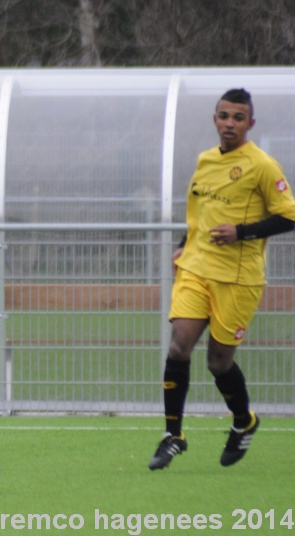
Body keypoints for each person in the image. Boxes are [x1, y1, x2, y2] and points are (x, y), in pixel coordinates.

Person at [149, 89, 295, 470]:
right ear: (215, 119)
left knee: (218, 362)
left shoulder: (262, 166)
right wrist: (184, 244)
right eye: (224, 116)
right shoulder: (205, 160)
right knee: (179, 346)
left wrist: (242, 232)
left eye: (238, 117)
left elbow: (289, 216)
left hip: (238, 278)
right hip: (197, 267)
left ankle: (244, 421)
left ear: (250, 124)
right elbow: (202, 211)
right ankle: (173, 435)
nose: (230, 123)